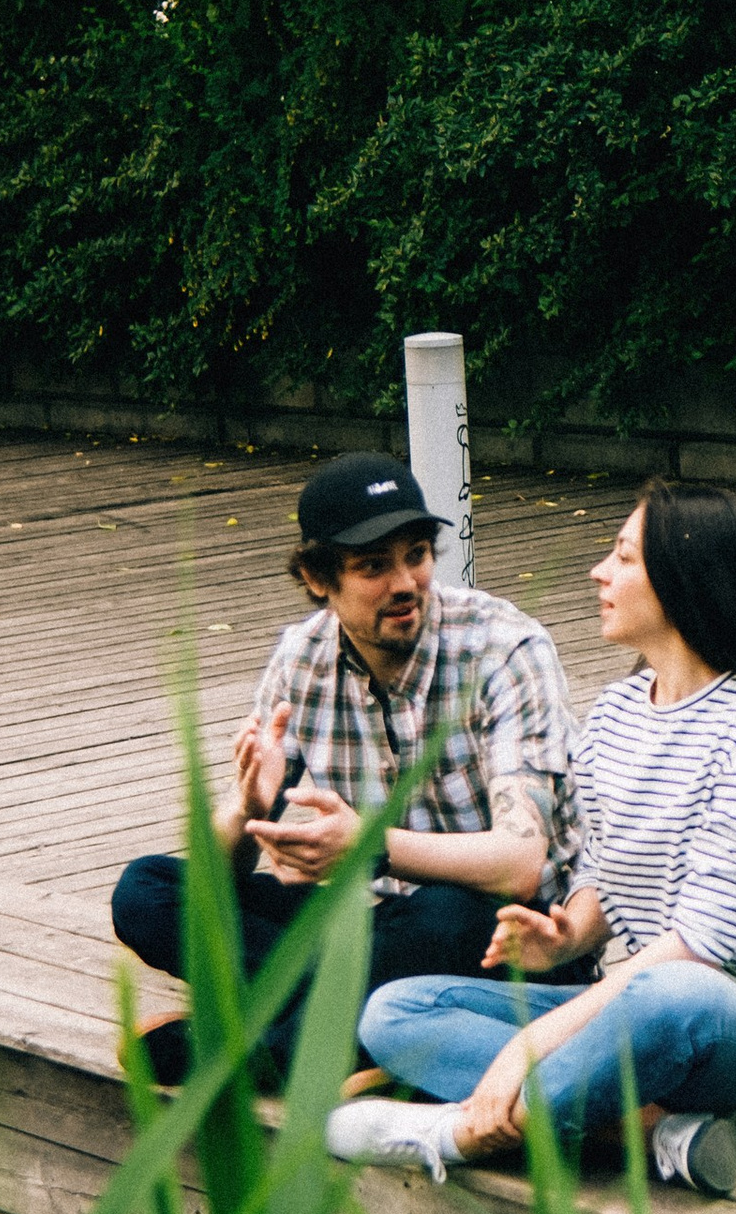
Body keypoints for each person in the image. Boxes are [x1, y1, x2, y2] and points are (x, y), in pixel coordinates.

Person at [327, 478, 736, 1195]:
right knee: (397, 1011)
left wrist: (530, 1045)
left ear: (685, 580)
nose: (600, 571)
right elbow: (606, 864)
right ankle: (655, 1131)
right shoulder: (618, 711)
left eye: (624, 557)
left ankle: (456, 1133)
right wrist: (569, 936)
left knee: (673, 995)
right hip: (643, 1001)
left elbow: (700, 946)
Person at [110, 450, 582, 1081]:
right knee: (146, 890)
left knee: (448, 913)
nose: (405, 583)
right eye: (373, 566)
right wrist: (248, 809)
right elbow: (226, 869)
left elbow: (521, 866)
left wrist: (368, 846)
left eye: (416, 554)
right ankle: (330, 1023)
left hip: (506, 934)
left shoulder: (505, 648)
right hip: (368, 921)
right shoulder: (301, 657)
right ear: (317, 577)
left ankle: (262, 1046)